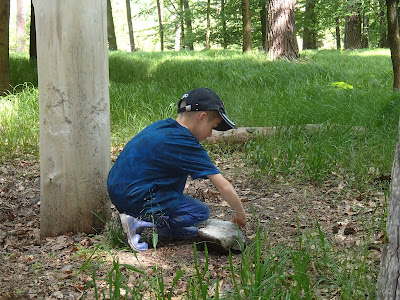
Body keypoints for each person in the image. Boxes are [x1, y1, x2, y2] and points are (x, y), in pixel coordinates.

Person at [107, 87, 246, 251]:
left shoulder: (162, 127)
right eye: (212, 127)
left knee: (184, 220)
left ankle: (159, 228)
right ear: (201, 117)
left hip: (119, 191)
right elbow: (223, 185)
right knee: (199, 212)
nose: (209, 135)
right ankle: (140, 225)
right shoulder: (185, 142)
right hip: (138, 196)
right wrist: (240, 214)